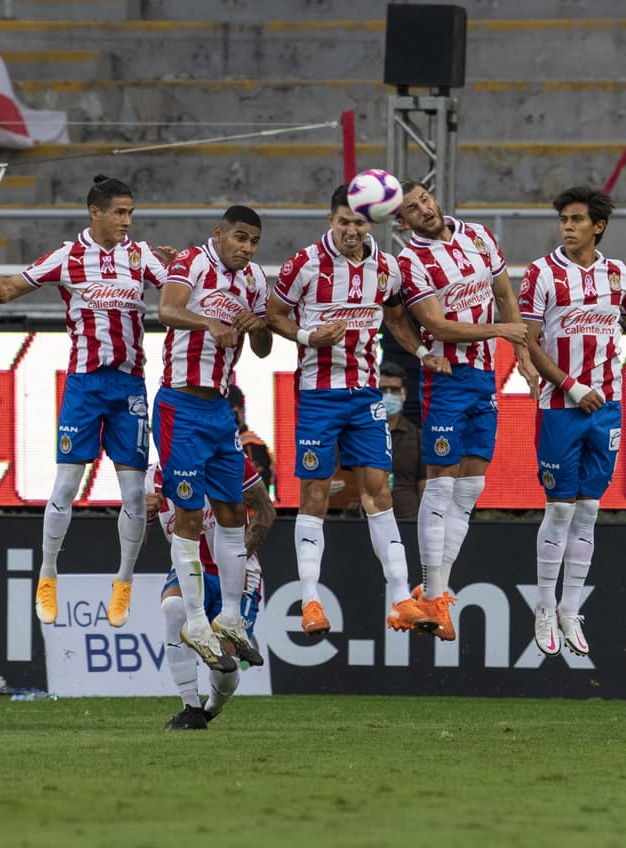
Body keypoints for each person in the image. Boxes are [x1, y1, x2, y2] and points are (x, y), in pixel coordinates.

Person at [0, 174, 171, 629]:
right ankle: (48, 573)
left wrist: (180, 268)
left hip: (129, 387)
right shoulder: (67, 256)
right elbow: (2, 292)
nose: (127, 221)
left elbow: (179, 293)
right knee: (65, 487)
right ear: (94, 212)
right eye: (119, 212)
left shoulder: (139, 256)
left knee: (135, 496)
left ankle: (123, 583)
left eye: (131, 212)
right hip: (84, 386)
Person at [268, 185, 436, 638]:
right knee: (315, 496)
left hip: (365, 396)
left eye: (359, 223)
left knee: (378, 493)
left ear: (372, 223)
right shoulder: (303, 264)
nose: (350, 230)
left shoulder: (386, 268)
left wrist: (421, 353)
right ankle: (310, 602)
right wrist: (307, 338)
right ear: (330, 220)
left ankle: (401, 598)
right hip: (318, 395)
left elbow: (398, 320)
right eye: (343, 221)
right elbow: (273, 313)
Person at [519, 186, 626, 657]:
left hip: (607, 406)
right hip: (560, 405)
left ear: (597, 226)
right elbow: (527, 342)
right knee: (560, 508)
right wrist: (570, 385)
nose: (567, 226)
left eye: (577, 219)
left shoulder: (619, 274)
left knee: (589, 510)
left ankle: (569, 609)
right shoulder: (542, 275)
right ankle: (544, 606)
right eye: (563, 219)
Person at [393, 180, 535, 642]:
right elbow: (436, 324)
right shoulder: (410, 263)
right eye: (412, 209)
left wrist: (525, 358)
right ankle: (434, 595)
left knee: (471, 488)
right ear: (402, 222)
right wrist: (501, 329)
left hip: (483, 379)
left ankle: (436, 590)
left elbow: (505, 296)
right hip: (447, 380)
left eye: (426, 200)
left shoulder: (479, 236)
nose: (425, 210)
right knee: (441, 485)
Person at [155, 205, 272, 672]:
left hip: (219, 410)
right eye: (239, 238)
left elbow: (262, 348)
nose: (245, 249)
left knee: (230, 512)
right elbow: (165, 309)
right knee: (188, 513)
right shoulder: (191, 262)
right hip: (180, 404)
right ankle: (198, 621)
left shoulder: (255, 282)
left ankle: (229, 618)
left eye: (253, 242)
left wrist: (257, 327)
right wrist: (209, 322)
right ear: (219, 233)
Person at [147, 452, 275, 730]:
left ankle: (210, 708)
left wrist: (239, 559)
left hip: (239, 574)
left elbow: (266, 509)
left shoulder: (229, 459)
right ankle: (191, 707)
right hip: (192, 568)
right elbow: (135, 529)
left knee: (225, 661)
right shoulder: (153, 478)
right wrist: (140, 514)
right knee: (172, 608)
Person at [381, 361, 427, 520]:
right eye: (382, 390)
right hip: (366, 520)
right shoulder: (359, 435)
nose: (387, 395)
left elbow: (424, 486)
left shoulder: (418, 436)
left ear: (403, 393)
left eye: (393, 390)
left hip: (408, 520)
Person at [226, 383, 274, 490]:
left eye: (231, 409)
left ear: (242, 411)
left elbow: (259, 488)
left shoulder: (253, 445)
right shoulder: (216, 444)